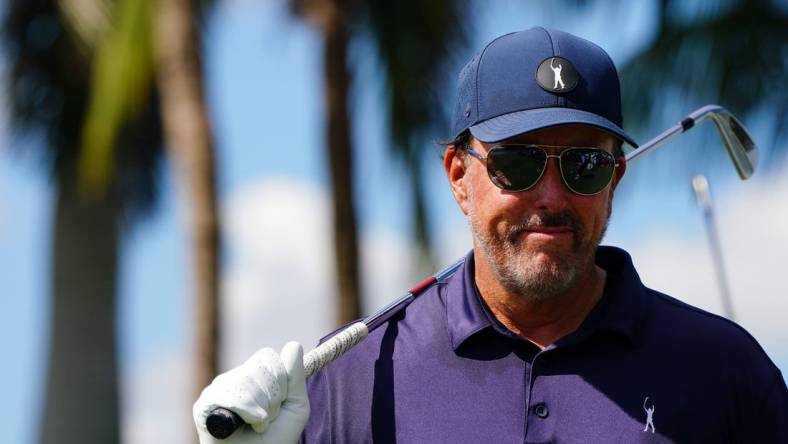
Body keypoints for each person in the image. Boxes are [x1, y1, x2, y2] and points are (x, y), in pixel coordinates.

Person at [194, 27, 788, 443]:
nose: (551, 199)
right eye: (519, 164)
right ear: (459, 175)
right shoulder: (352, 382)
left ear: (616, 179)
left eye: (584, 165)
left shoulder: (725, 371)